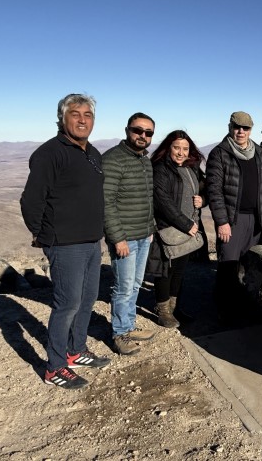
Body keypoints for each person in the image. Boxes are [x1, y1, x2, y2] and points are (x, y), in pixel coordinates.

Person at [21, 93, 110, 389]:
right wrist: (44, 237)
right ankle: (55, 367)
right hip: (64, 244)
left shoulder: (91, 152)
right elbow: (31, 200)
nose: (82, 119)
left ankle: (76, 350)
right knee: (67, 304)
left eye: (88, 114)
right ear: (62, 118)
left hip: (91, 241)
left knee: (87, 300)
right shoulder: (50, 153)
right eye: (75, 113)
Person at [206, 112, 262, 320]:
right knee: (229, 264)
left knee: (249, 264)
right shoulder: (220, 153)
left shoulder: (260, 153)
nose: (241, 131)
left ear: (251, 130)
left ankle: (245, 304)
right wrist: (222, 221)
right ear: (230, 127)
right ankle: (225, 309)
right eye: (237, 127)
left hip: (256, 218)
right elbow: (214, 190)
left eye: (246, 128)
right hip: (233, 220)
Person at [102, 112, 157, 355]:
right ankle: (119, 333)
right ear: (127, 130)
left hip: (143, 234)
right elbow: (106, 202)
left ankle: (129, 325)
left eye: (148, 133)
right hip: (125, 237)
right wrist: (117, 237)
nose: (143, 136)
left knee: (135, 284)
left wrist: (150, 228)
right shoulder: (113, 160)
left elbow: (147, 198)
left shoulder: (144, 159)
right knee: (123, 287)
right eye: (138, 130)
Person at [150, 130, 207, 329]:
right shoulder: (161, 168)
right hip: (169, 228)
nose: (181, 152)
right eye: (177, 148)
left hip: (188, 228)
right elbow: (163, 201)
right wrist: (186, 224)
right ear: (168, 148)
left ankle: (174, 308)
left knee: (180, 271)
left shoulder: (192, 168)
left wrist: (203, 200)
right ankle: (163, 311)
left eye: (185, 148)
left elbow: (204, 188)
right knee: (165, 271)